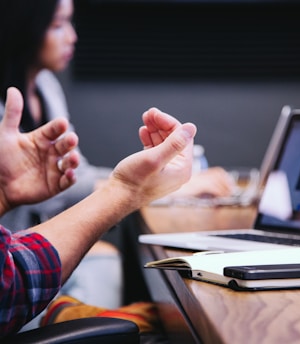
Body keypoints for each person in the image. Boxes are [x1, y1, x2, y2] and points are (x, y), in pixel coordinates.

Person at [0, 0, 234, 313]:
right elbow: (61, 194)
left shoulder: (45, 86)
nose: (72, 36)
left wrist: (132, 185)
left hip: (28, 248)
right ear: (22, 27)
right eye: (57, 25)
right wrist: (135, 188)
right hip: (16, 259)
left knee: (112, 260)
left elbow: (71, 176)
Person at [0, 86, 197, 338]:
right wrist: (127, 189)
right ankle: (59, 315)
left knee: (106, 257)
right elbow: (9, 284)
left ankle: (64, 314)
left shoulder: (46, 86)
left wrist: (3, 192)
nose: (71, 42)